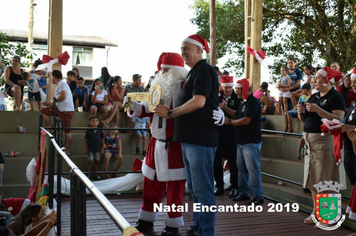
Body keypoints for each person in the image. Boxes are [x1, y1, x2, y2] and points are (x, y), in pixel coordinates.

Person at [155, 35, 219, 236]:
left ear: (200, 50)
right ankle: (199, 228)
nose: (183, 52)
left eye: (186, 48)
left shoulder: (204, 70)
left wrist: (171, 113)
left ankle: (205, 232)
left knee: (203, 191)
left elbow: (199, 101)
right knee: (196, 191)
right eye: (181, 48)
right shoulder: (193, 73)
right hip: (191, 140)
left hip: (199, 141)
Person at [128, 52, 187, 236]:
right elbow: (148, 109)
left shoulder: (185, 88)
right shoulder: (158, 87)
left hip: (175, 144)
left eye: (167, 70)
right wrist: (133, 105)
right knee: (150, 184)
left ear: (177, 71)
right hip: (155, 143)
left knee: (174, 188)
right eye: (162, 70)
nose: (163, 72)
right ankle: (146, 219)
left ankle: (172, 224)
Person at [297, 67, 345, 225]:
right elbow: (307, 121)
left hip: (325, 142)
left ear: (327, 81)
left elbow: (338, 120)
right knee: (313, 180)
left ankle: (329, 216)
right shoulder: (314, 96)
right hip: (310, 142)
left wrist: (318, 110)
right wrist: (301, 113)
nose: (313, 80)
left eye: (317, 78)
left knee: (326, 180)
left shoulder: (336, 97)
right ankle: (316, 213)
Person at [217, 78, 264, 205]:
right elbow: (237, 115)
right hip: (241, 141)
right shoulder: (243, 102)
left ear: (244, 89)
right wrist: (225, 109)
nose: (235, 91)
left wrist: (229, 122)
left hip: (251, 142)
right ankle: (244, 192)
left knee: (252, 169)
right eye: (236, 88)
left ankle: (258, 195)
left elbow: (245, 120)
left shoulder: (253, 102)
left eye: (238, 88)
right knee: (241, 169)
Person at [214, 75, 239, 197]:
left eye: (230, 87)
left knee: (233, 161)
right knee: (216, 160)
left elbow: (236, 115)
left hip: (231, 133)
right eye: (226, 88)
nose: (228, 90)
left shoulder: (237, 97)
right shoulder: (216, 97)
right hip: (218, 133)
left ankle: (235, 186)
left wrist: (225, 108)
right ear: (221, 87)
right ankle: (219, 186)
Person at [40, 70, 75, 156]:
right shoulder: (60, 85)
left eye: (52, 77)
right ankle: (50, 127)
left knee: (67, 131)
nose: (51, 78)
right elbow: (57, 99)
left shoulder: (62, 84)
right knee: (43, 111)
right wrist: (49, 103)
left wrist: (51, 102)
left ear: (54, 77)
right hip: (59, 108)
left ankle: (67, 151)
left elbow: (63, 96)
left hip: (66, 110)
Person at [84, 115, 104, 180]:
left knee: (97, 161)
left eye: (96, 121)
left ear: (98, 122)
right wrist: (85, 149)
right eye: (92, 121)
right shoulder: (88, 131)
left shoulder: (100, 131)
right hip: (90, 149)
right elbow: (85, 140)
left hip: (98, 149)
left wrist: (102, 148)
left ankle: (96, 174)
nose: (94, 122)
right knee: (89, 161)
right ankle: (87, 175)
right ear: (90, 123)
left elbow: (102, 140)